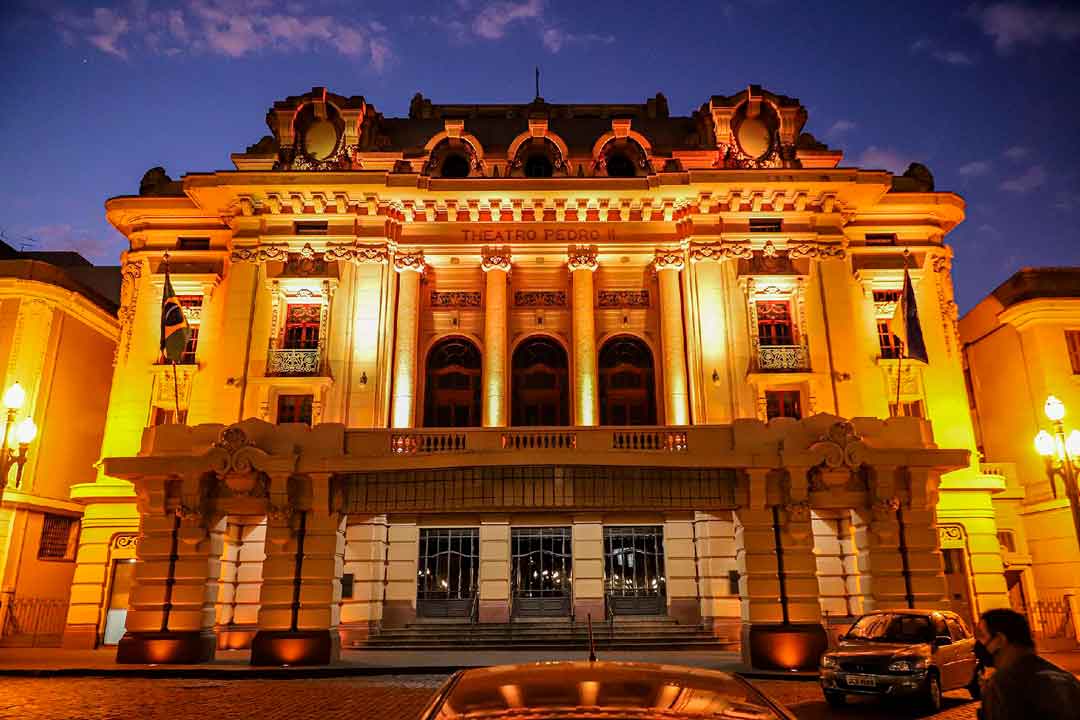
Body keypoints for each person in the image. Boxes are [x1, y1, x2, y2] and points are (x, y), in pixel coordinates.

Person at [975, 608, 1080, 720]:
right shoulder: (1068, 680)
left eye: (982, 636)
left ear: (1000, 639)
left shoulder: (1002, 687)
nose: (979, 644)